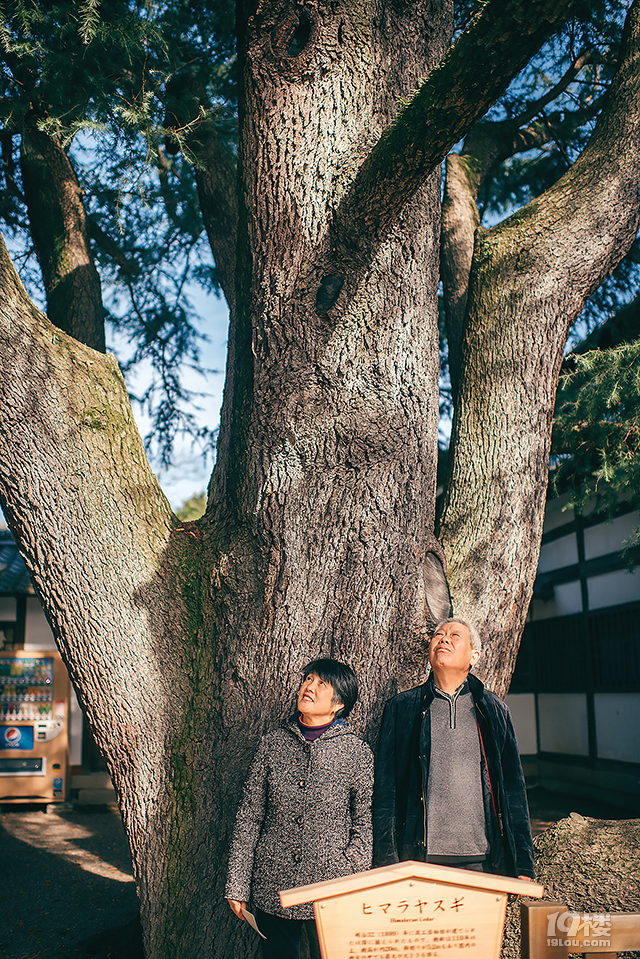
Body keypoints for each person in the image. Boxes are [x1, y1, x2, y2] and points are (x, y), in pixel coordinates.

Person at [225, 658, 374, 959]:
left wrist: (349, 870)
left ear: (338, 703)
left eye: (322, 683)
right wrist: (237, 883)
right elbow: (249, 816)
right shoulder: (272, 744)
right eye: (308, 679)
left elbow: (364, 822)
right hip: (273, 884)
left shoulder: (356, 753)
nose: (309, 686)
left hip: (331, 888)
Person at [372, 618, 535, 879]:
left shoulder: (493, 710)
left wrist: (523, 865)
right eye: (439, 634)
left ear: (474, 655)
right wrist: (386, 861)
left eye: (455, 635)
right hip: (418, 860)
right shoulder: (403, 708)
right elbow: (386, 792)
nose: (444, 639)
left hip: (481, 860)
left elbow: (513, 790)